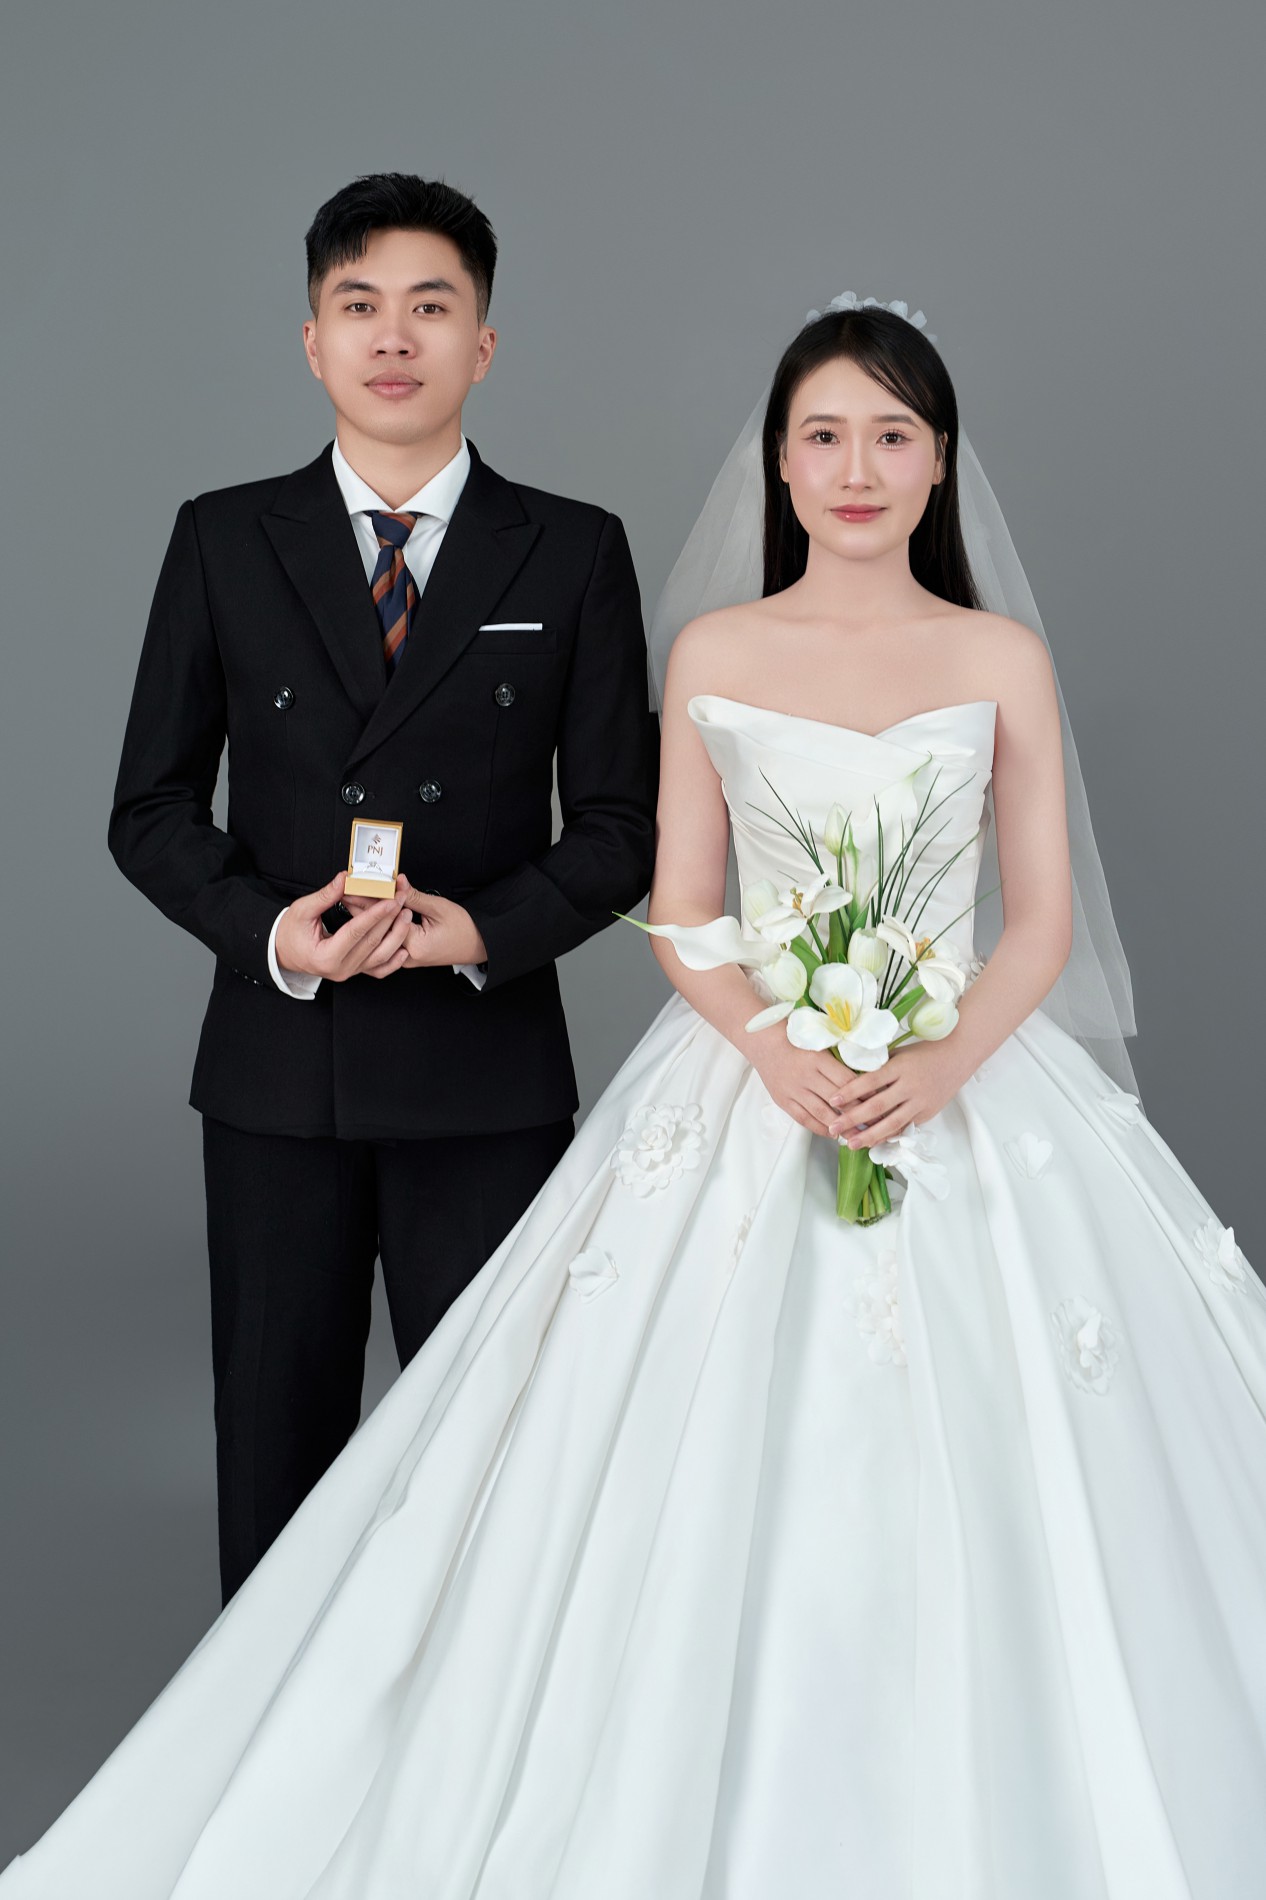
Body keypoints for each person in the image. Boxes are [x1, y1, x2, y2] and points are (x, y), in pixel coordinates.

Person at [5, 296, 1265, 1898]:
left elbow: (1040, 924)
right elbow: (677, 909)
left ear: (939, 463)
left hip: (957, 1077)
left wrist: (935, 1064)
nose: (855, 469)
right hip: (754, 1071)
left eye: (890, 436)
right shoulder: (718, 650)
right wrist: (773, 1047)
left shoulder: (1000, 657)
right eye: (822, 436)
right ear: (776, 464)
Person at [104, 172, 661, 1606]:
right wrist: (271, 932)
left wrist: (481, 930)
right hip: (277, 1068)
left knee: (493, 1453)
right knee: (272, 1443)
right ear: (313, 342)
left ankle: (476, 1738)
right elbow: (150, 809)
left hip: (483, 1074)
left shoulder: (573, 548)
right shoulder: (225, 537)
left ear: (485, 343)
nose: (394, 336)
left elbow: (622, 827)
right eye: (359, 306)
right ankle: (269, 1732)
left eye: (431, 305)